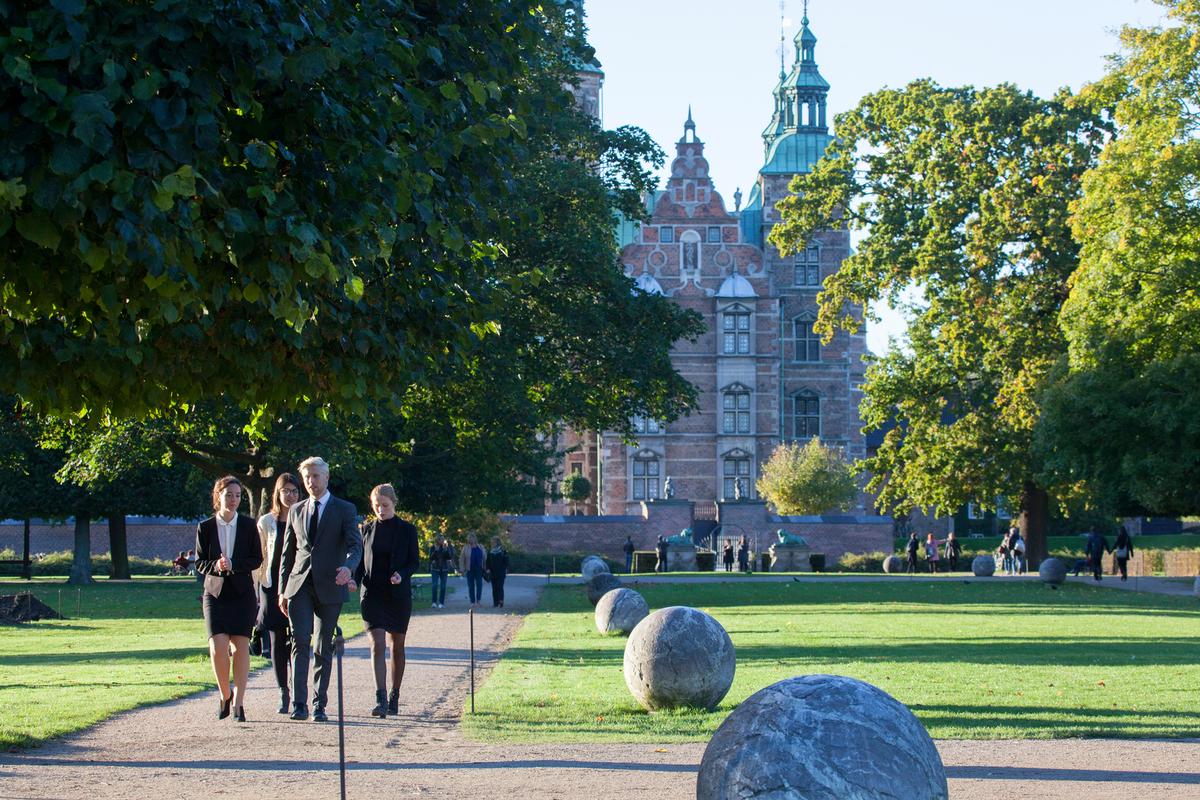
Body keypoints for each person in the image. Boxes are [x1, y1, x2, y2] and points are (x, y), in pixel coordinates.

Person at [278, 456, 363, 722]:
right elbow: (287, 554)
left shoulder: (344, 509)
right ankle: (299, 704)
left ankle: (319, 704)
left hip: (330, 583)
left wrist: (348, 567)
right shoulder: (296, 510)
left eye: (316, 476)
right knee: (300, 641)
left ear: (326, 477)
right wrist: (282, 590)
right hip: (299, 584)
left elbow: (355, 546)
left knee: (323, 645)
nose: (311, 482)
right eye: (307, 478)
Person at [347, 484, 418, 718]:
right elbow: (359, 561)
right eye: (376, 505)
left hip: (397, 595)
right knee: (377, 643)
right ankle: (380, 697)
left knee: (396, 645)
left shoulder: (408, 530)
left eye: (385, 505)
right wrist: (354, 580)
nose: (380, 509)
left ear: (394, 504)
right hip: (372, 594)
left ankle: (394, 695)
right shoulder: (365, 529)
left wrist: (402, 574)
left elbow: (414, 562)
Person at [195, 475, 261, 723]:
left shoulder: (248, 525)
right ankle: (225, 694)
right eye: (229, 495)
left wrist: (233, 564)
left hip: (242, 593)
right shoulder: (205, 527)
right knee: (218, 647)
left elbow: (256, 559)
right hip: (214, 594)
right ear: (218, 496)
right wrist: (217, 565)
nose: (233, 500)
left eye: (237, 496)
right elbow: (200, 562)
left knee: (241, 645)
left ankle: (239, 703)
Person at [256, 472, 301, 714]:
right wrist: (256, 589)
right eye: (286, 491)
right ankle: (283, 692)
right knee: (276, 641)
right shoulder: (267, 522)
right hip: (271, 585)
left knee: (298, 638)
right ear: (278, 493)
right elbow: (260, 556)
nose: (290, 495)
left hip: (297, 585)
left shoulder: (304, 517)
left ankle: (299, 693)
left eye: (294, 491)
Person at [428, 536, 456, 609]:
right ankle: (434, 602)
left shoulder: (445, 547)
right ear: (437, 540)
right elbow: (430, 558)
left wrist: (446, 550)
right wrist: (436, 551)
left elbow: (449, 557)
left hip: (444, 569)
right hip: (435, 569)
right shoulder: (432, 548)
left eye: (443, 540)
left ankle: (441, 603)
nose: (443, 541)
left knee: (443, 586)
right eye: (441, 540)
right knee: (434, 585)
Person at [460, 534, 486, 608]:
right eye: (469, 539)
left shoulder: (481, 547)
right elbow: (462, 559)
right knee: (471, 586)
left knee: (479, 585)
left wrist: (486, 567)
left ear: (475, 539)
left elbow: (485, 558)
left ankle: (478, 601)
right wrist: (462, 569)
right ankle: (472, 601)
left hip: (479, 569)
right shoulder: (465, 547)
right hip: (469, 569)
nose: (470, 540)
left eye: (471, 538)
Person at [485, 537, 510, 608]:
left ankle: (501, 601)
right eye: (492, 542)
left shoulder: (503, 551)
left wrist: (505, 569)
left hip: (501, 573)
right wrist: (488, 569)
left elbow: (506, 562)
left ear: (498, 543)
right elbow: (488, 562)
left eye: (494, 542)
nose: (493, 543)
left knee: (500, 587)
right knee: (494, 588)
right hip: (493, 573)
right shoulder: (490, 552)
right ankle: (495, 602)